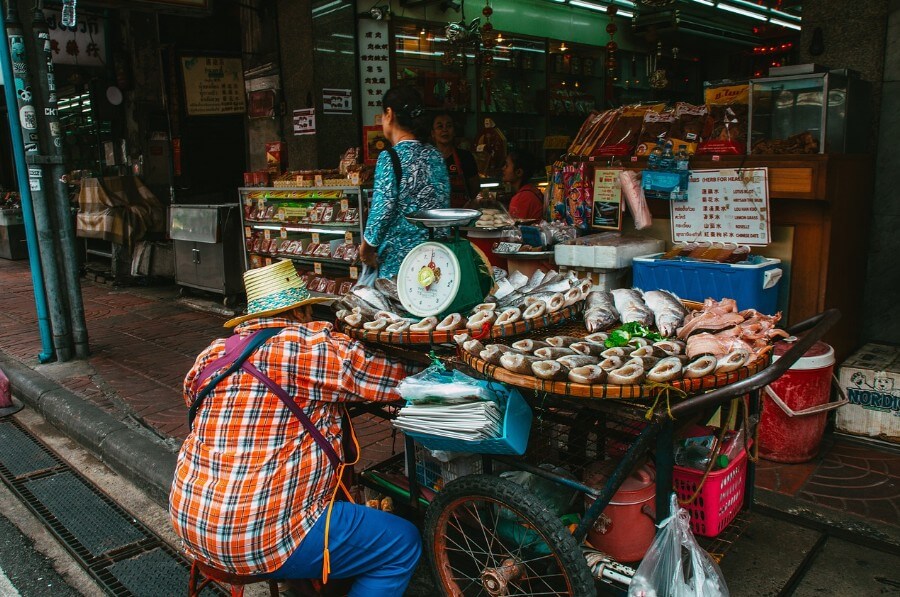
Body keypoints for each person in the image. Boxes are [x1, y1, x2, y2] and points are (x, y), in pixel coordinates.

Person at [170, 260, 422, 596]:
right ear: (301, 312)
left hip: (190, 520)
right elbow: (398, 380)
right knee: (401, 543)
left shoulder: (213, 354)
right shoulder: (309, 346)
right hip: (255, 536)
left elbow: (193, 400)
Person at [360, 87, 450, 279]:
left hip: (400, 262)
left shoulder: (390, 157)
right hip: (438, 256)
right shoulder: (435, 155)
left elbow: (382, 210)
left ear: (389, 114)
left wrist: (366, 249)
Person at [430, 110, 480, 208]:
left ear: (454, 132)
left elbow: (475, 189)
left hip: (462, 215)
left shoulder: (465, 157)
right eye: (440, 126)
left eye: (449, 126)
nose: (445, 130)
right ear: (433, 133)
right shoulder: (427, 158)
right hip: (435, 216)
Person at [502, 149, 545, 222]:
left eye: (506, 165)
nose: (503, 169)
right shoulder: (531, 190)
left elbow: (514, 229)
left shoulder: (522, 198)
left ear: (519, 172)